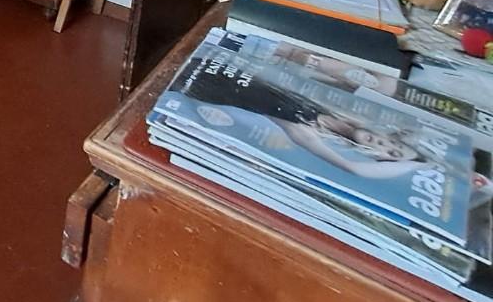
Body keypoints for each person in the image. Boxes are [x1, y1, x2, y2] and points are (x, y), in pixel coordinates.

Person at [183, 64, 428, 180]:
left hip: (204, 84)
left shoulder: (307, 132)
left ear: (381, 160)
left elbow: (354, 169)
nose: (384, 144)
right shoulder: (334, 110)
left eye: (391, 153)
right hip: (226, 66)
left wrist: (415, 166)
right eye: (393, 143)